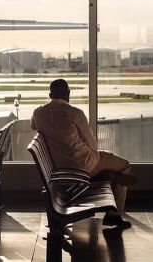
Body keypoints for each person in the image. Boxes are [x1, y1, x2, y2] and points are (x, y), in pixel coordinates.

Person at [30, 78, 137, 229]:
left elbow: (33, 126)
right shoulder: (75, 113)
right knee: (124, 165)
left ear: (50, 95)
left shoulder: (38, 113)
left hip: (58, 170)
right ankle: (114, 214)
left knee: (104, 161)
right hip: (84, 165)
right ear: (68, 93)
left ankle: (104, 175)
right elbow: (92, 144)